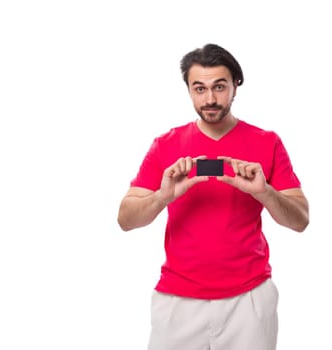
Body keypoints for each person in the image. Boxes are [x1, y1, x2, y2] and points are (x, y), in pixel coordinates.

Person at [117, 43, 309, 350]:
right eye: (199, 88)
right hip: (177, 301)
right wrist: (162, 197)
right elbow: (125, 219)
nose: (209, 99)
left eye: (219, 87)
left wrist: (265, 193)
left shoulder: (267, 142)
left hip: (249, 301)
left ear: (236, 85)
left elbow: (300, 220)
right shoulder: (164, 145)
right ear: (189, 90)